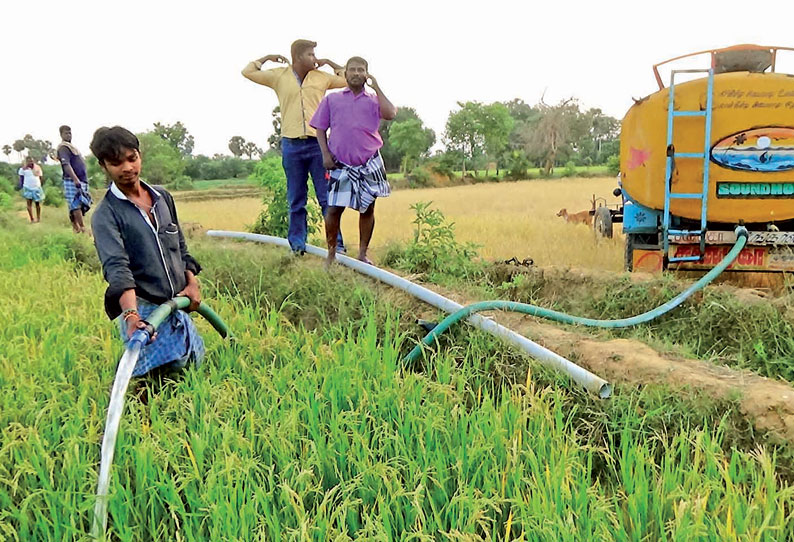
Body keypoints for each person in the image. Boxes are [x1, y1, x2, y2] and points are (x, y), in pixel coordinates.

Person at [90, 126, 204, 380]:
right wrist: (132, 316)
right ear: (104, 166)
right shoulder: (106, 215)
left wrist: (192, 282)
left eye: (132, 158)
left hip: (177, 306)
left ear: (140, 155)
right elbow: (118, 270)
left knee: (189, 376)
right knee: (151, 383)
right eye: (116, 163)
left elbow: (180, 247)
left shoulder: (162, 197)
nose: (127, 168)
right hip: (145, 311)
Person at [242, 39, 346, 254]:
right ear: (298, 57)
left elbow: (346, 79)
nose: (315, 59)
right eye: (311, 55)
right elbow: (248, 71)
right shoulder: (279, 76)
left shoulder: (322, 77)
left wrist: (330, 62)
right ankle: (297, 247)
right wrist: (266, 59)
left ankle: (338, 247)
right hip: (291, 145)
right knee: (296, 200)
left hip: (318, 145)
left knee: (326, 198)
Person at [310, 56, 397, 267]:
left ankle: (362, 253)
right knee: (333, 209)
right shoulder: (332, 99)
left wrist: (376, 86)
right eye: (353, 70)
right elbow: (320, 128)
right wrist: (325, 154)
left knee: (368, 208)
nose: (357, 73)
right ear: (345, 73)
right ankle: (331, 254)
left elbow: (391, 113)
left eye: (361, 70)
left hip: (369, 162)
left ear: (366, 74)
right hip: (340, 163)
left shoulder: (374, 100)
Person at [57, 125, 92, 233]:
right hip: (72, 180)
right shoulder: (63, 148)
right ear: (61, 135)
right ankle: (81, 228)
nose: (68, 135)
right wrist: (75, 179)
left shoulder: (72, 147)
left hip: (81, 179)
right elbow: (66, 164)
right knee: (75, 204)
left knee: (81, 203)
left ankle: (76, 228)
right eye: (66, 133)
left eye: (70, 133)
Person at [18, 156, 45, 223]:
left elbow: (41, 177)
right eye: (29, 161)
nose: (31, 162)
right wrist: (21, 187)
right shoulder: (23, 169)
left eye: (32, 161)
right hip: (27, 188)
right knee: (29, 204)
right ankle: (32, 219)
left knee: (37, 204)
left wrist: (40, 185)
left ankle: (38, 218)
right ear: (26, 162)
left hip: (37, 188)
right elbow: (21, 179)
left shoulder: (38, 168)